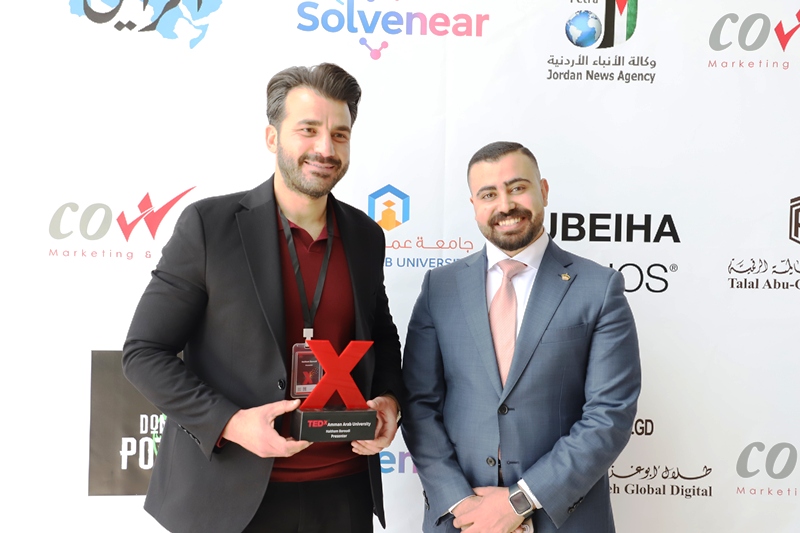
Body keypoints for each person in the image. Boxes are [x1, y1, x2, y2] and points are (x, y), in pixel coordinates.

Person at [123, 63, 404, 533]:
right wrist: (231, 423)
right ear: (272, 138)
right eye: (308, 130)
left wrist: (390, 402)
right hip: (229, 496)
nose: (325, 148)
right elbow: (144, 354)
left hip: (343, 492)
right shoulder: (209, 226)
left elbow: (381, 336)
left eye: (339, 134)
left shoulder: (365, 234)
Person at [401, 141, 641, 533]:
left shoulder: (599, 288)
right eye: (488, 194)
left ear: (543, 190)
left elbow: (609, 413)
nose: (506, 205)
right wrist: (463, 503)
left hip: (564, 520)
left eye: (517, 188)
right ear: (474, 205)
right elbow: (418, 404)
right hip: (461, 520)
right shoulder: (439, 289)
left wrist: (520, 501)